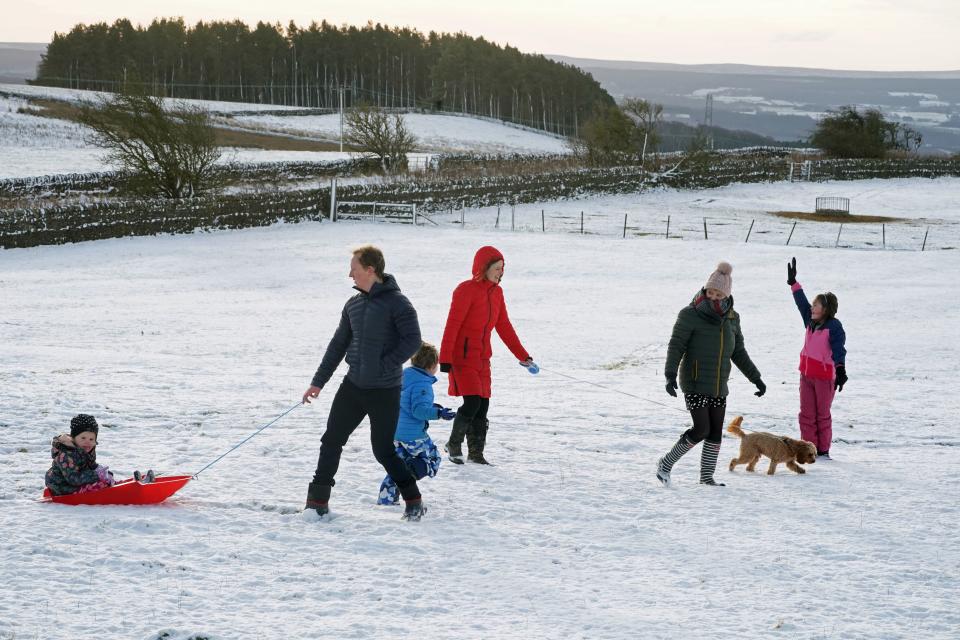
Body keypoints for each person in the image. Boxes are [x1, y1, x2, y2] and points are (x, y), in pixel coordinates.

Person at [303, 245, 427, 521]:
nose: (350, 275)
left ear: (371, 270)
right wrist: (318, 382)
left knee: (382, 450)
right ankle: (317, 501)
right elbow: (338, 345)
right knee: (331, 439)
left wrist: (384, 365)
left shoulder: (399, 303)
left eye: (355, 270)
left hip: (385, 390)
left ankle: (413, 498)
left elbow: (412, 340)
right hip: (353, 386)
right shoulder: (353, 305)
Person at [656, 262, 766, 487]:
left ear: (727, 294)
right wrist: (670, 375)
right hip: (695, 381)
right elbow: (676, 345)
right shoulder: (690, 314)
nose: (713, 297)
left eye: (718, 293)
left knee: (715, 431)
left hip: (719, 384)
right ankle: (665, 464)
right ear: (705, 290)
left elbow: (738, 351)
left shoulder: (732, 318)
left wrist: (756, 378)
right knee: (701, 429)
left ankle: (706, 477)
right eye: (710, 292)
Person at [439, 246, 536, 465]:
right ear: (484, 268)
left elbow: (504, 327)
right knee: (472, 401)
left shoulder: (497, 293)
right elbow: (452, 325)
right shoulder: (465, 290)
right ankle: (454, 444)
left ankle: (476, 453)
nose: (500, 272)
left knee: (483, 406)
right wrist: (445, 358)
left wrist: (523, 355)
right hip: (462, 357)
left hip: (483, 358)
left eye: (503, 268)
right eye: (496, 268)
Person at [377, 342, 455, 505]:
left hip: (395, 432)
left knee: (398, 464)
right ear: (432, 365)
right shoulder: (423, 384)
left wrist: (433, 407)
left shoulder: (403, 375)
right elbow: (418, 410)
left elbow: (405, 403)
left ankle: (387, 498)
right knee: (432, 459)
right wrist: (439, 413)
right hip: (412, 435)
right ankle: (405, 482)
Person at [787, 257, 847, 459]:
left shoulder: (834, 327)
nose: (812, 308)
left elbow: (839, 350)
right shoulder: (810, 321)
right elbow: (801, 303)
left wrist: (840, 369)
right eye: (813, 305)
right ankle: (808, 450)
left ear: (826, 309)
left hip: (823, 378)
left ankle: (823, 451)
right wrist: (794, 284)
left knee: (822, 416)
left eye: (817, 305)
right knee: (806, 415)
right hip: (806, 375)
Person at [45, 414, 155, 496]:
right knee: (100, 485)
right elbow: (73, 479)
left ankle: (134, 485)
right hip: (63, 488)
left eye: (91, 439)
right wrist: (97, 475)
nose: (87, 442)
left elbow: (90, 465)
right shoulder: (66, 455)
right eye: (83, 438)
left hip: (76, 484)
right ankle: (128, 491)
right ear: (74, 438)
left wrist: (102, 472)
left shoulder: (86, 450)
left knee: (105, 481)